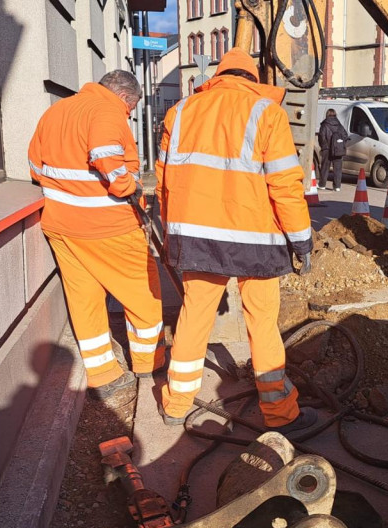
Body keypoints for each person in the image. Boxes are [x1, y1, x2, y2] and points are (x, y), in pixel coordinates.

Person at [155, 47, 316, 433]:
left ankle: (176, 405)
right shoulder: (266, 113)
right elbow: (285, 187)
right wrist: (302, 242)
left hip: (195, 238)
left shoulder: (179, 114)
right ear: (253, 78)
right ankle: (279, 414)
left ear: (218, 75)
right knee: (261, 324)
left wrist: (171, 235)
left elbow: (165, 185)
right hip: (256, 242)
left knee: (194, 318)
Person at [28, 70, 166, 417]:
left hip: (61, 224)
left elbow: (35, 166)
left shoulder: (57, 111)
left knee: (85, 298)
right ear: (124, 97)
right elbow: (109, 162)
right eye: (131, 109)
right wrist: (129, 187)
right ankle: (149, 362)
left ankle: (104, 375)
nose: (129, 115)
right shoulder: (106, 112)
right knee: (144, 293)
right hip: (107, 226)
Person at [317, 109, 348, 192]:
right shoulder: (339, 125)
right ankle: (337, 186)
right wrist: (340, 144)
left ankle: (322, 185)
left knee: (325, 168)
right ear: (335, 114)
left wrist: (323, 146)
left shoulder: (324, 125)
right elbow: (345, 136)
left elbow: (321, 136)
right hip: (338, 149)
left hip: (327, 149)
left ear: (327, 114)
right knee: (337, 169)